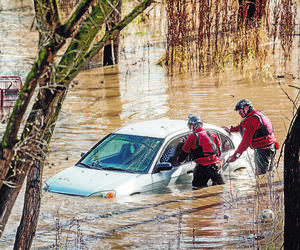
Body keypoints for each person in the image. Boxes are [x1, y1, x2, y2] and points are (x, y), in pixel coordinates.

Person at [222, 99, 279, 175]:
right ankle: (269, 186)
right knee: (269, 173)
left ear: (246, 108)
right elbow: (244, 126)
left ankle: (262, 186)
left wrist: (235, 156)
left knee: (260, 175)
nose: (239, 113)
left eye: (240, 110)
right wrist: (231, 130)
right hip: (272, 147)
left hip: (262, 151)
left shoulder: (250, 120)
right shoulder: (257, 114)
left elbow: (245, 143)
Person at [177, 115, 225, 189]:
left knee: (197, 191)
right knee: (221, 191)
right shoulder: (213, 134)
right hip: (216, 167)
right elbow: (219, 152)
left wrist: (179, 161)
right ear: (201, 124)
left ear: (194, 126)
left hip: (202, 169)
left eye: (191, 125)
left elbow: (184, 153)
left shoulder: (192, 137)